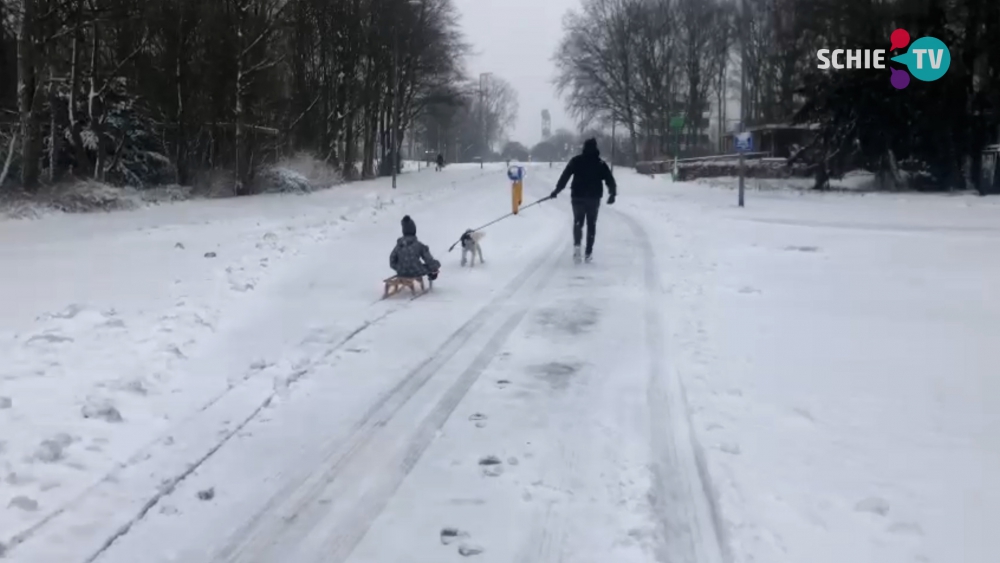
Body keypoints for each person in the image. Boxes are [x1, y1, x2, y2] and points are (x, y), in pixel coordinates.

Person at [549, 138, 617, 263]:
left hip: (578, 197)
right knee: (591, 224)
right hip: (593, 198)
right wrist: (612, 193)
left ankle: (577, 248)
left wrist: (556, 191)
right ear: (596, 148)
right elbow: (609, 179)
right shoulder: (600, 163)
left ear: (584, 148)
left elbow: (565, 176)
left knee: (578, 222)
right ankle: (589, 252)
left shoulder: (576, 161)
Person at [390, 215, 441, 280]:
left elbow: (392, 261)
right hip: (416, 271)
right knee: (433, 265)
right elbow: (429, 260)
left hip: (401, 272)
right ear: (414, 230)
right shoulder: (419, 245)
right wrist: (436, 265)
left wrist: (400, 268)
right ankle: (432, 275)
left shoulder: (399, 245)